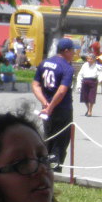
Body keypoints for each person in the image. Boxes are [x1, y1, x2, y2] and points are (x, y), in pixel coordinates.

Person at [34, 37, 78, 173]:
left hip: (46, 109)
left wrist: (44, 103)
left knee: (48, 138)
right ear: (66, 51)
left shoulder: (44, 63)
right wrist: (51, 107)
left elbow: (35, 85)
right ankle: (54, 171)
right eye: (72, 51)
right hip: (62, 109)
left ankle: (43, 168)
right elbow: (62, 90)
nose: (74, 54)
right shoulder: (67, 67)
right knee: (60, 141)